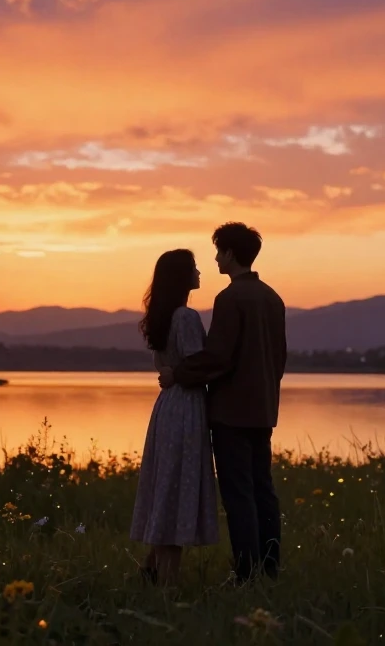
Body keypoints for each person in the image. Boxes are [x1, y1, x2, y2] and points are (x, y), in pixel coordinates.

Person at [158, 222, 287, 582]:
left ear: (230, 253)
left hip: (231, 413)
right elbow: (279, 358)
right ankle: (270, 568)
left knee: (238, 494)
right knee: (263, 490)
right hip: (263, 410)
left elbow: (218, 356)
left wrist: (178, 374)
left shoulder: (230, 298)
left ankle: (246, 573)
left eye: (218, 251)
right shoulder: (272, 298)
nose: (215, 259)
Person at [129, 248, 219, 585]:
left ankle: (151, 569)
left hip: (167, 406)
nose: (199, 272)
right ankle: (168, 584)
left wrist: (174, 373)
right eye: (194, 268)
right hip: (186, 407)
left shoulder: (162, 317)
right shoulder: (185, 317)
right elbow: (197, 366)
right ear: (181, 276)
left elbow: (168, 365)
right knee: (177, 485)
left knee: (166, 483)